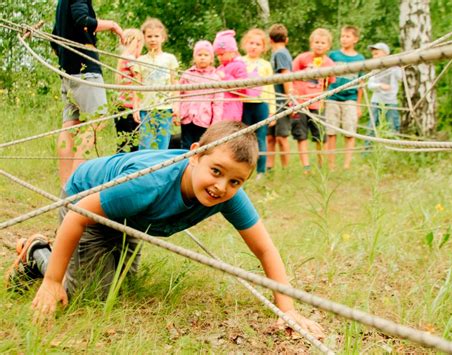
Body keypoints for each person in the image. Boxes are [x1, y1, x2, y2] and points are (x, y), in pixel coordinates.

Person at [9, 122, 324, 340]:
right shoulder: (148, 184)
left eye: (234, 181)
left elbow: (265, 249)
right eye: (216, 171)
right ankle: (37, 251)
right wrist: (52, 282)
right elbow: (78, 216)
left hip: (129, 218)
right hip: (86, 201)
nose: (221, 187)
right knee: (85, 295)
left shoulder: (228, 196)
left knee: (122, 286)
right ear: (195, 153)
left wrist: (288, 311)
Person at [52, 0, 125, 187]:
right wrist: (112, 25)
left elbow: (54, 38)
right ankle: (75, 185)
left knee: (70, 126)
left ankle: (65, 185)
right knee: (97, 121)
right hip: (85, 71)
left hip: (67, 73)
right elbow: (83, 20)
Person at [292, 28, 336, 172]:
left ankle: (321, 164)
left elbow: (330, 81)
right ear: (311, 43)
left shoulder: (329, 63)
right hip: (301, 102)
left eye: (323, 43)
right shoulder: (302, 58)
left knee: (320, 136)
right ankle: (306, 166)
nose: (319, 45)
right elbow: (291, 76)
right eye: (316, 42)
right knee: (302, 135)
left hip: (317, 104)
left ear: (328, 46)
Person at [133, 18, 179, 150]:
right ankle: (144, 169)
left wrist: (176, 104)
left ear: (163, 38)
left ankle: (160, 169)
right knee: (145, 143)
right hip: (146, 109)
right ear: (144, 38)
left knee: (162, 144)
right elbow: (136, 85)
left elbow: (175, 83)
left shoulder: (170, 59)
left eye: (156, 36)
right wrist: (136, 107)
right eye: (149, 36)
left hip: (165, 108)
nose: (153, 39)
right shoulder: (140, 60)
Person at [325, 26, 365, 170]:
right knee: (331, 132)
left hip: (351, 98)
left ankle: (346, 165)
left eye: (347, 36)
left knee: (349, 132)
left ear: (355, 39)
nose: (344, 39)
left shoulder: (360, 59)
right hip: (333, 96)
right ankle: (331, 165)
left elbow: (361, 83)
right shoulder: (333, 55)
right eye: (342, 36)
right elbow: (326, 76)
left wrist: (359, 105)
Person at [241, 28, 276, 180]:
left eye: (257, 44)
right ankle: (243, 169)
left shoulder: (265, 65)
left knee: (260, 138)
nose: (254, 46)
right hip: (243, 105)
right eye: (251, 43)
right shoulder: (239, 62)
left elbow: (270, 88)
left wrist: (272, 111)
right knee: (244, 138)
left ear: (263, 47)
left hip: (261, 105)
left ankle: (261, 171)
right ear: (245, 44)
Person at [179, 40, 224, 150]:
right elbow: (179, 94)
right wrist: (178, 113)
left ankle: (199, 166)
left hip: (204, 120)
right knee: (185, 146)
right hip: (187, 118)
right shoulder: (187, 75)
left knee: (201, 147)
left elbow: (218, 103)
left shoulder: (215, 78)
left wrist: (216, 122)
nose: (202, 57)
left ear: (211, 58)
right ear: (194, 57)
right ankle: (185, 165)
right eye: (199, 55)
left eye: (206, 55)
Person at [213, 30, 256, 122]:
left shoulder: (239, 65)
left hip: (232, 111)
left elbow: (243, 88)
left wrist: (225, 77)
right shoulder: (219, 68)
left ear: (232, 51)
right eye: (217, 55)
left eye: (222, 54)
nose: (219, 57)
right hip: (218, 110)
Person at [267, 24, 293, 171]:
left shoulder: (281, 54)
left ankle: (285, 168)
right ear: (287, 39)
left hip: (282, 101)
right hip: (273, 101)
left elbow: (286, 76)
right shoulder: (277, 54)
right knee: (271, 137)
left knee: (282, 137)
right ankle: (269, 167)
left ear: (270, 40)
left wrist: (289, 99)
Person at [114, 28, 144, 153]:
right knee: (132, 145)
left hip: (120, 106)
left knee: (123, 144)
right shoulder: (130, 58)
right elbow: (139, 77)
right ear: (136, 42)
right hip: (129, 107)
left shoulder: (122, 58)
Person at [367, 42, 402, 135]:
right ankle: (368, 148)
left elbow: (401, 77)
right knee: (372, 126)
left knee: (393, 125)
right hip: (376, 101)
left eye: (376, 54)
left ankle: (393, 147)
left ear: (386, 53)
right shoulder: (375, 68)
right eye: (373, 55)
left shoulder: (394, 67)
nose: (374, 57)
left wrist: (397, 64)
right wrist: (380, 85)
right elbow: (370, 85)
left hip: (391, 101)